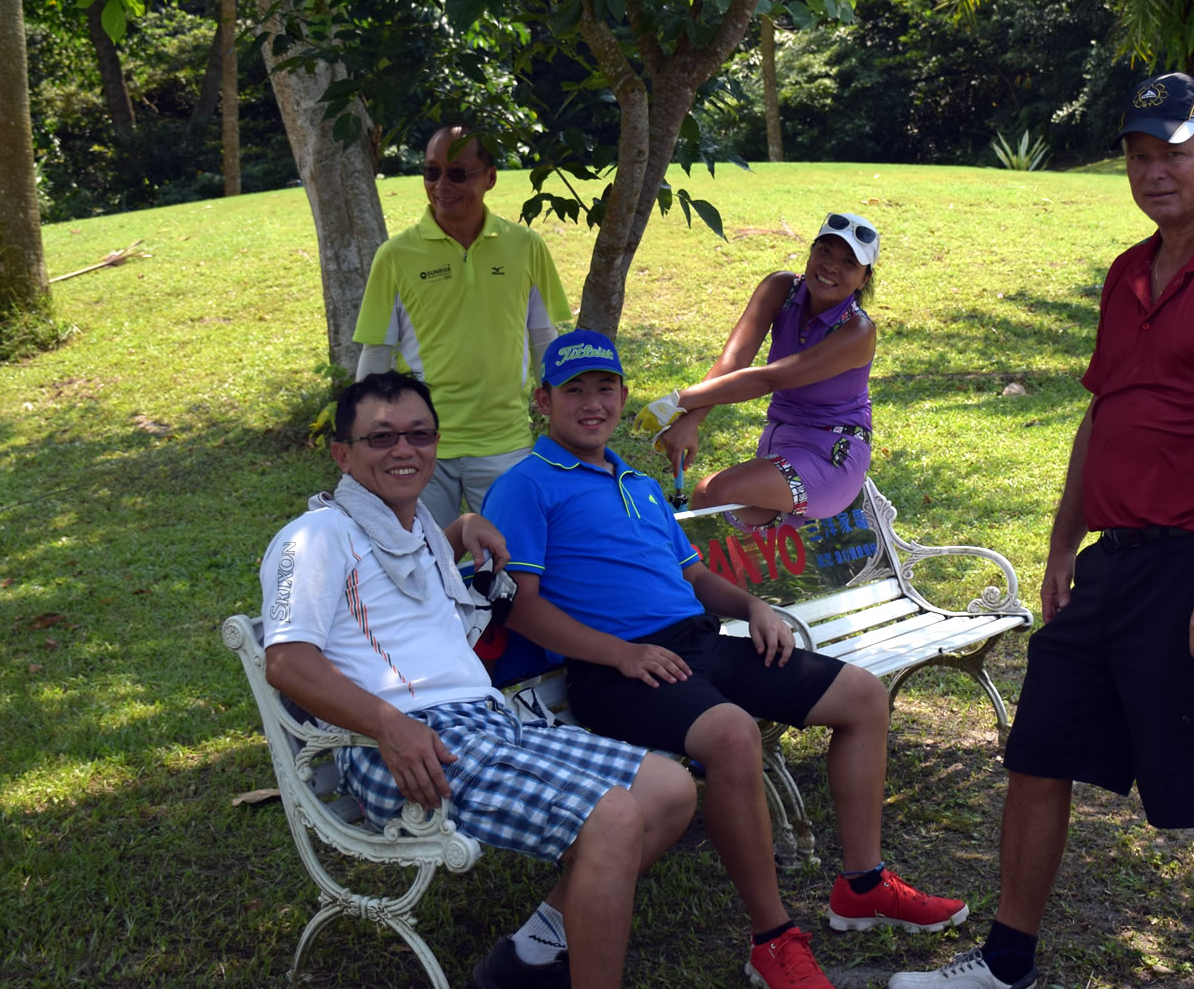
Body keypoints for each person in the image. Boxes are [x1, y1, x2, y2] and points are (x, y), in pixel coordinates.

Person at [891, 73, 1194, 989]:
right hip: (1112, 563)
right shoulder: (1130, 272)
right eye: (1137, 155)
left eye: (1172, 152)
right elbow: (1103, 415)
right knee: (1038, 753)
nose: (1153, 170)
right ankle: (1007, 962)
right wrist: (1063, 545)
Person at [483, 330, 967, 989]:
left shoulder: (638, 485)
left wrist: (754, 606)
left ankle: (862, 886)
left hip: (699, 644)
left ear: (622, 397)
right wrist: (622, 653)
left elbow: (694, 578)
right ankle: (772, 940)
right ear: (544, 401)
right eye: (574, 391)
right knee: (734, 735)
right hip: (615, 671)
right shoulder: (525, 486)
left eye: (605, 388)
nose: (592, 403)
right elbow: (520, 608)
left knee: (862, 696)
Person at [259, 370, 695, 989]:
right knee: (615, 817)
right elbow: (286, 662)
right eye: (381, 438)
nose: (404, 449)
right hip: (404, 746)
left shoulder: (413, 530)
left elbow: (402, 579)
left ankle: (533, 952)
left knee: (670, 790)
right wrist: (390, 726)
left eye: (418, 434)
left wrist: (461, 529)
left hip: (487, 722)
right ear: (342, 454)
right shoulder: (314, 536)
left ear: (436, 444)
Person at [354, 125, 571, 528]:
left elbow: (543, 337)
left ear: (490, 177)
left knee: (511, 555)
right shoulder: (395, 255)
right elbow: (377, 352)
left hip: (505, 441)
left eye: (457, 173)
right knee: (423, 557)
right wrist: (360, 436)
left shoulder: (526, 246)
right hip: (420, 444)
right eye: (431, 172)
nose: (441, 185)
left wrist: (561, 413)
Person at [632, 212, 878, 531]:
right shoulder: (781, 288)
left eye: (849, 263)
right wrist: (691, 420)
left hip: (831, 454)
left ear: (863, 279)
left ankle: (689, 568)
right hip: (780, 442)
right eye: (824, 251)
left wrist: (679, 401)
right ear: (811, 252)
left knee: (711, 493)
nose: (831, 266)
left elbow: (769, 378)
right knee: (737, 534)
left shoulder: (857, 332)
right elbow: (734, 359)